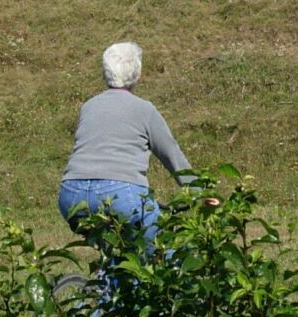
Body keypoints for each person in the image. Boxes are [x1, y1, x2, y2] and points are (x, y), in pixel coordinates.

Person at [57, 42, 195, 249]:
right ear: (137, 73)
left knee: (113, 247)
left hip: (71, 194)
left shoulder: (89, 106)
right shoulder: (144, 110)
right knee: (162, 245)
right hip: (119, 193)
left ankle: (103, 281)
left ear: (106, 72)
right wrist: (199, 191)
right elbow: (171, 155)